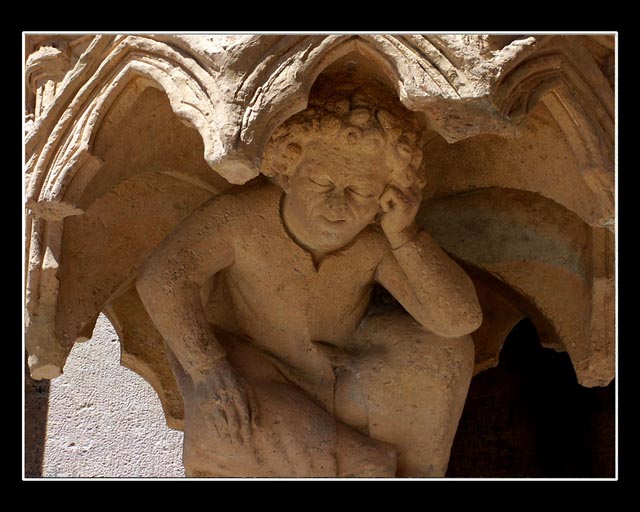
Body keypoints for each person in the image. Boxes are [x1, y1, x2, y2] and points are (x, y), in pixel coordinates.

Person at [136, 75, 482, 477]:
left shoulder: (374, 241)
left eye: (360, 191)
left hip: (334, 378)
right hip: (248, 377)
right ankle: (363, 464)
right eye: (321, 182)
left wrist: (406, 234)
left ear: (384, 197)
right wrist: (208, 370)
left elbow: (459, 321)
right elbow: (163, 277)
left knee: (443, 355)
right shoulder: (240, 220)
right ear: (288, 169)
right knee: (228, 430)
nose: (337, 204)